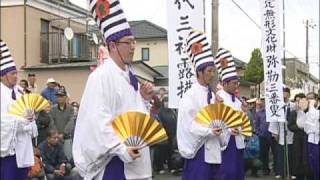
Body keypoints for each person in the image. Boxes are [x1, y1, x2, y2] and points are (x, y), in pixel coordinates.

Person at [73, 0, 154, 179]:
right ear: (112, 46)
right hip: (115, 163)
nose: (133, 47)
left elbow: (137, 118)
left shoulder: (130, 76)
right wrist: (121, 148)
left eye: (134, 42)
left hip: (137, 160)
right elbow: (98, 122)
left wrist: (144, 99)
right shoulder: (100, 77)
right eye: (128, 43)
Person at [177, 30, 224, 180]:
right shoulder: (190, 96)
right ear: (199, 72)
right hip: (199, 154)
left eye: (213, 71)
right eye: (209, 71)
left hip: (214, 153)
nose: (212, 74)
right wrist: (209, 131)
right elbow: (188, 126)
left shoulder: (212, 94)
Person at [1, 39, 38, 180]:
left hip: (23, 148)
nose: (16, 77)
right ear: (3, 75)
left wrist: (30, 117)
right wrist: (19, 121)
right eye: (12, 74)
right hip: (8, 150)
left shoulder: (20, 92)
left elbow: (29, 111)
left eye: (16, 73)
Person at [214, 48, 245, 180]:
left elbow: (241, 120)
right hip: (226, 141)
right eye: (234, 83)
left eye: (237, 82)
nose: (236, 86)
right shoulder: (219, 98)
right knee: (227, 173)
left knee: (238, 172)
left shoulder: (237, 100)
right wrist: (228, 130)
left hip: (238, 141)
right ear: (225, 83)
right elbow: (216, 121)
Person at [269, 87, 295, 179]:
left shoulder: (293, 105)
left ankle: (291, 172)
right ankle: (280, 172)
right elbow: (274, 119)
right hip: (280, 132)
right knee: (280, 154)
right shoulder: (278, 105)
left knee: (291, 154)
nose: (284, 95)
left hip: (291, 132)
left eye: (285, 93)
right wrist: (274, 133)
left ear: (289, 94)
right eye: (282, 93)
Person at [288, 93, 313, 180]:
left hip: (308, 139)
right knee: (297, 159)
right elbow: (290, 126)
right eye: (297, 101)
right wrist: (299, 127)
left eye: (300, 101)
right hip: (297, 139)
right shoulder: (293, 113)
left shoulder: (310, 112)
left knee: (307, 160)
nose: (298, 103)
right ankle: (298, 175)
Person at [50, 88, 75, 161]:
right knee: (56, 159)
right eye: (58, 96)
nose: (59, 98)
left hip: (66, 137)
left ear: (65, 97)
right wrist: (57, 134)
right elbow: (51, 122)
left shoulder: (70, 109)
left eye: (61, 96)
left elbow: (71, 122)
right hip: (55, 137)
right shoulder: (53, 109)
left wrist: (63, 134)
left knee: (68, 158)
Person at [254, 97, 277, 175]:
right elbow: (256, 124)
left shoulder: (273, 111)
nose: (264, 103)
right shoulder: (259, 113)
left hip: (273, 135)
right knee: (264, 154)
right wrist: (258, 133)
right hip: (263, 136)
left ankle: (276, 169)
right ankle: (265, 170)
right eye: (263, 101)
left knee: (275, 153)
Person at [305, 92, 319, 180]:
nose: (309, 100)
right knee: (312, 164)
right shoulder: (307, 113)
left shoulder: (316, 111)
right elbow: (306, 129)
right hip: (310, 141)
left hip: (317, 141)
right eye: (308, 99)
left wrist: (312, 127)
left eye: (311, 98)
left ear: (316, 99)